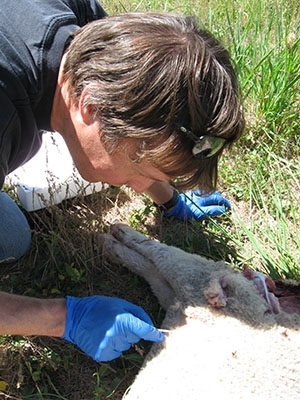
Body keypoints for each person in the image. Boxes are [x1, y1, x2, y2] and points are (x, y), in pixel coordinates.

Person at [0, 0, 244, 362]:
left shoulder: (98, 42)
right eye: (140, 172)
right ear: (91, 105)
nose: (139, 185)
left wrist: (169, 198)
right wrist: (64, 318)